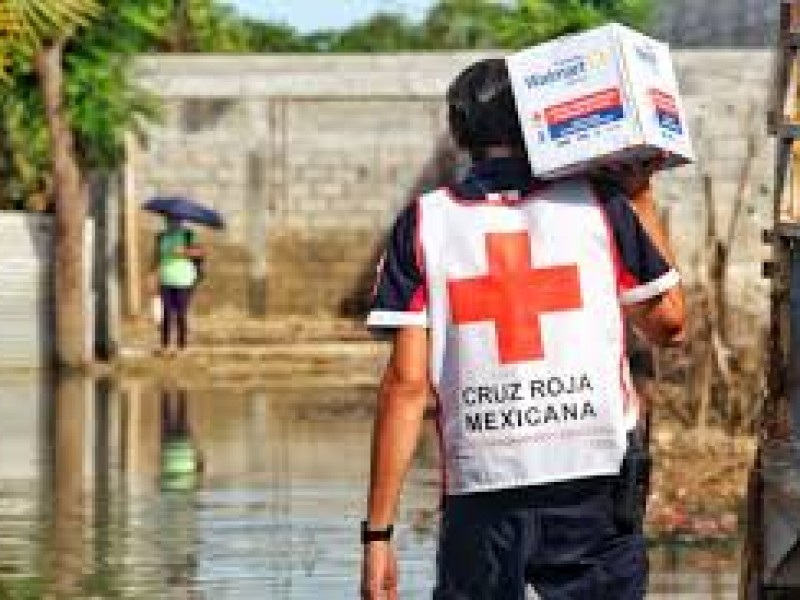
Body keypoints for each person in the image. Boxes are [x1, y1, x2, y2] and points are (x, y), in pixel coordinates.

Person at [360, 58, 685, 600]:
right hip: (593, 478)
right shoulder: (598, 204)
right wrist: (642, 198)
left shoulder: (423, 223)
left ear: (459, 134)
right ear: (541, 123)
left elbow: (406, 386)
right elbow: (669, 323)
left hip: (483, 484)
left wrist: (378, 535)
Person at [151, 217, 204, 355]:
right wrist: (152, 275)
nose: (172, 223)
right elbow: (156, 257)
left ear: (181, 221)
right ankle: (165, 345)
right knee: (166, 313)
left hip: (184, 280)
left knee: (181, 313)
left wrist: (184, 251)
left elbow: (199, 253)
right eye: (169, 220)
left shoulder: (188, 235)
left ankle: (182, 346)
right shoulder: (161, 236)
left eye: (175, 220)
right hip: (166, 279)